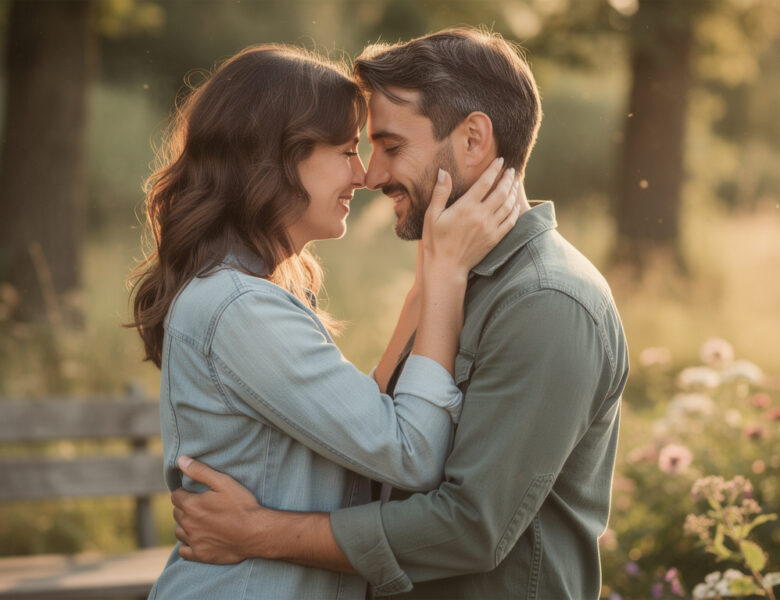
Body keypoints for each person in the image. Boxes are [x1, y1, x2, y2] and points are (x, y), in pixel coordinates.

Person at [171, 28, 630, 599]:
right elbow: (380, 448)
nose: (373, 174)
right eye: (356, 150)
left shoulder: (543, 302)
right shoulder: (455, 279)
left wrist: (263, 533)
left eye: (390, 146)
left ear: (473, 139)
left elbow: (469, 527)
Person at [128, 44, 523, 600]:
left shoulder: (251, 295)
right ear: (277, 158)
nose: (362, 175)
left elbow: (362, 425)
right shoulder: (240, 307)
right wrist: (446, 279)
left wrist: (428, 279)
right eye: (345, 150)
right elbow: (410, 453)